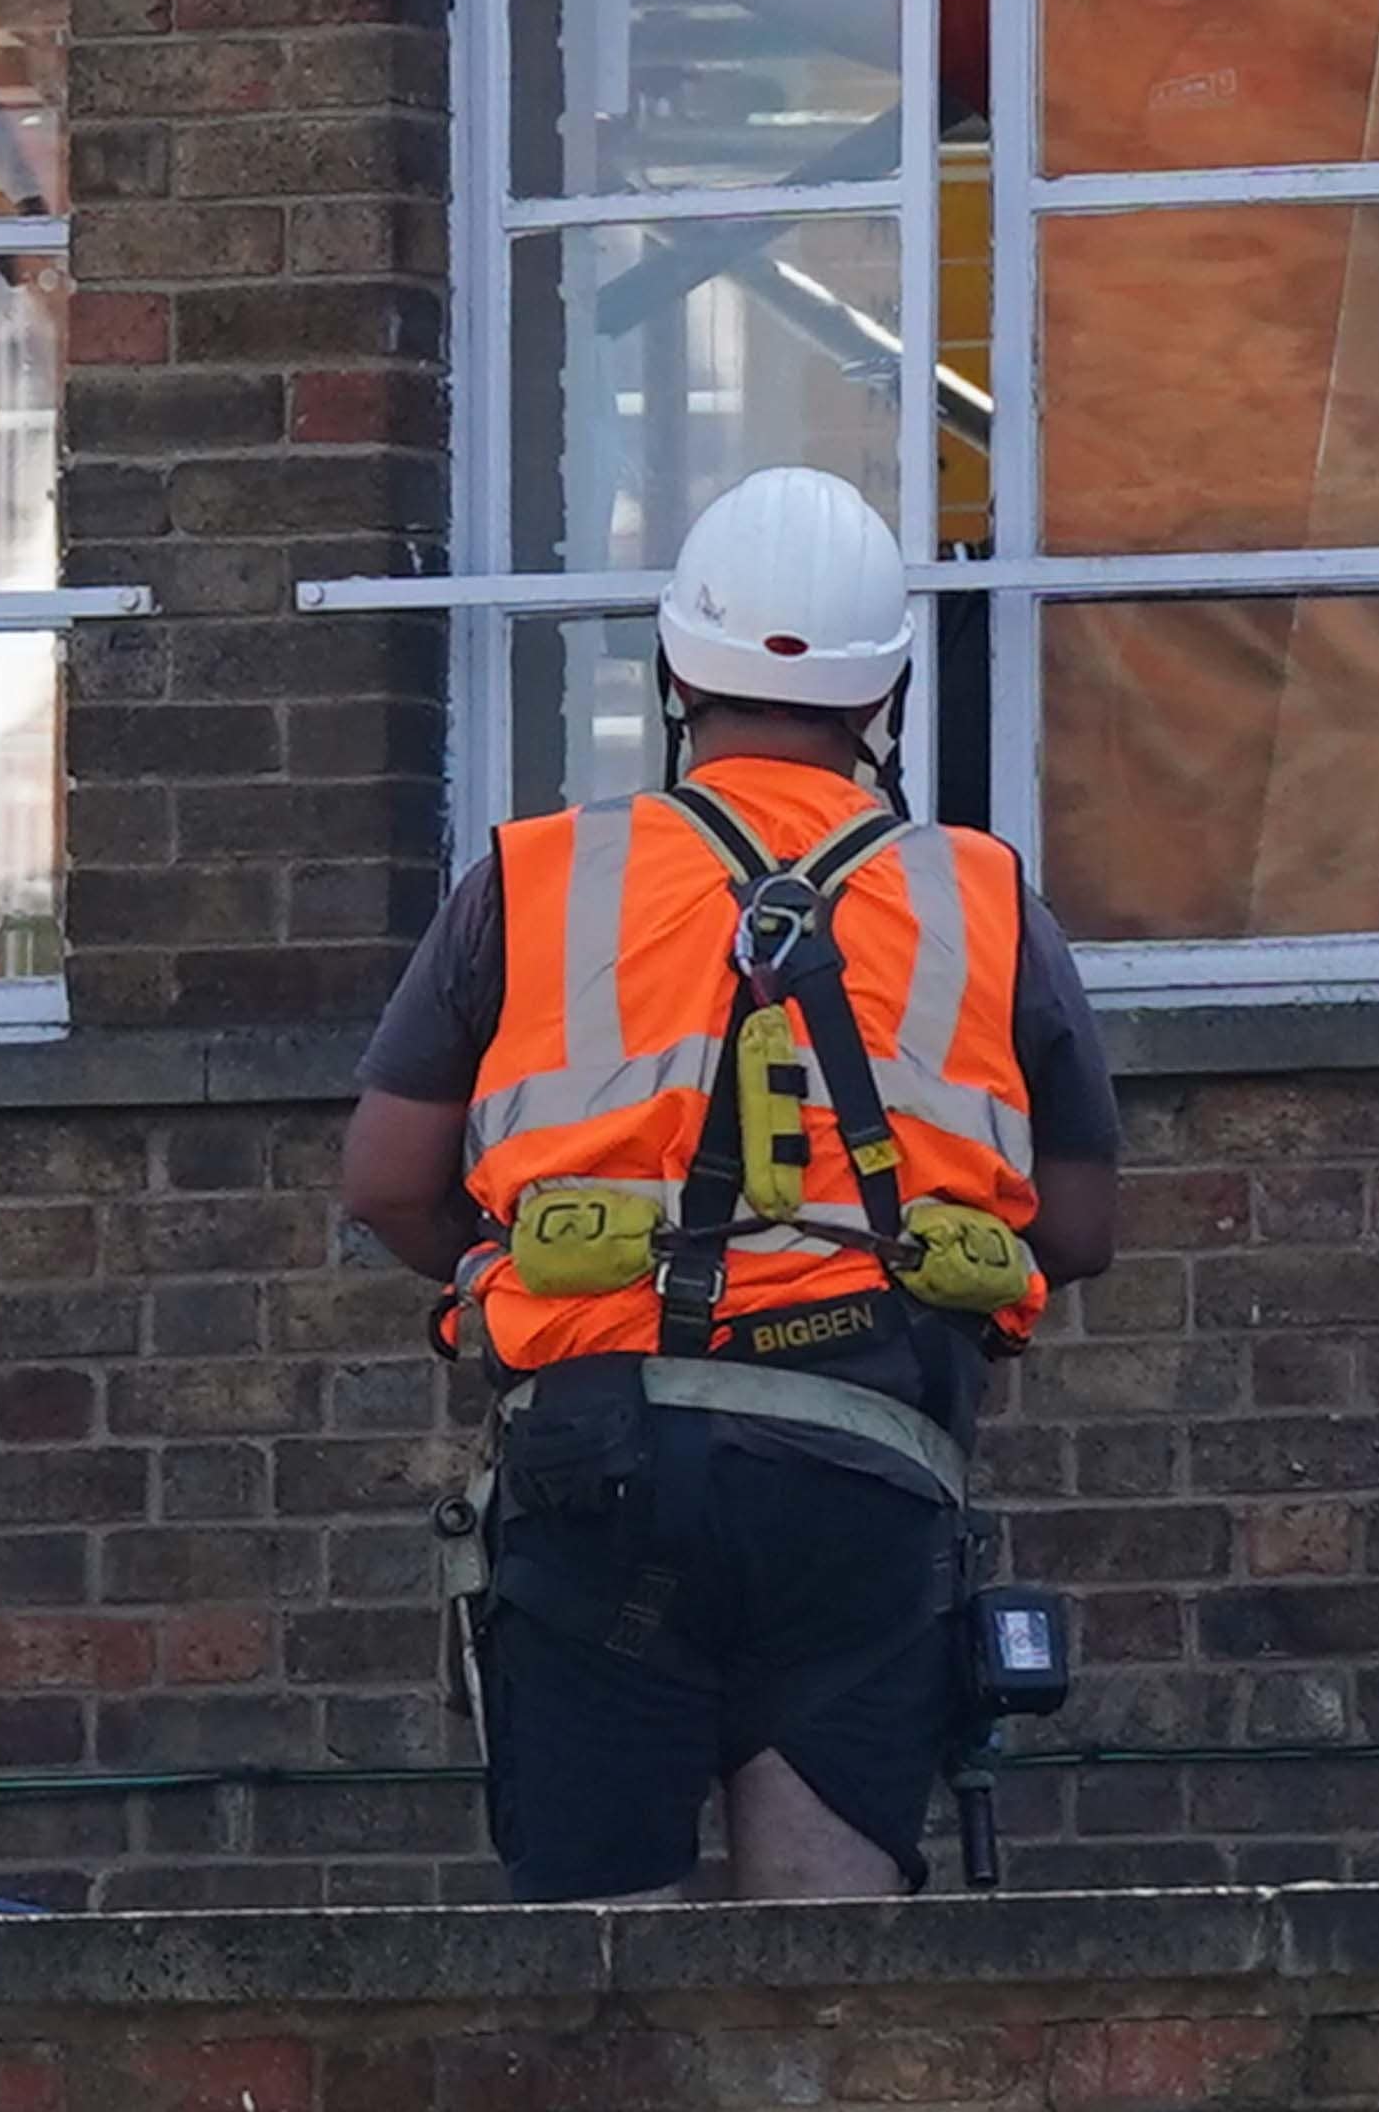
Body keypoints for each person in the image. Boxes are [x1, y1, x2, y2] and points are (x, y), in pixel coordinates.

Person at [337, 469, 1125, 1902]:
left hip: (601, 1463)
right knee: (827, 1970)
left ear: (674, 672)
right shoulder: (988, 897)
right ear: (883, 695)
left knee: (601, 1964)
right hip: (864, 1467)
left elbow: (389, 1180)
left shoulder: (532, 879)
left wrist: (540, 1261)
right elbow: (1076, 1227)